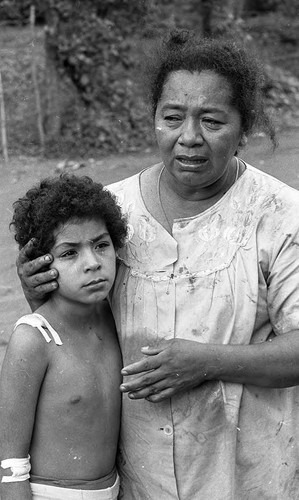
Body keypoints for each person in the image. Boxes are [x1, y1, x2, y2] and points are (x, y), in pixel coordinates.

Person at [13, 30, 299, 499]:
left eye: (211, 120)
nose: (189, 137)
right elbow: (83, 332)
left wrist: (207, 362)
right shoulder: (109, 214)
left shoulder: (280, 216)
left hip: (246, 477)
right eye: (172, 117)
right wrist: (47, 291)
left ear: (243, 128)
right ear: (154, 121)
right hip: (140, 480)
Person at [0, 174, 127, 500]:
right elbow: (10, 464)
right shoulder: (34, 339)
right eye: (70, 253)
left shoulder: (117, 321)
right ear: (41, 263)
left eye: (101, 245)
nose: (93, 263)